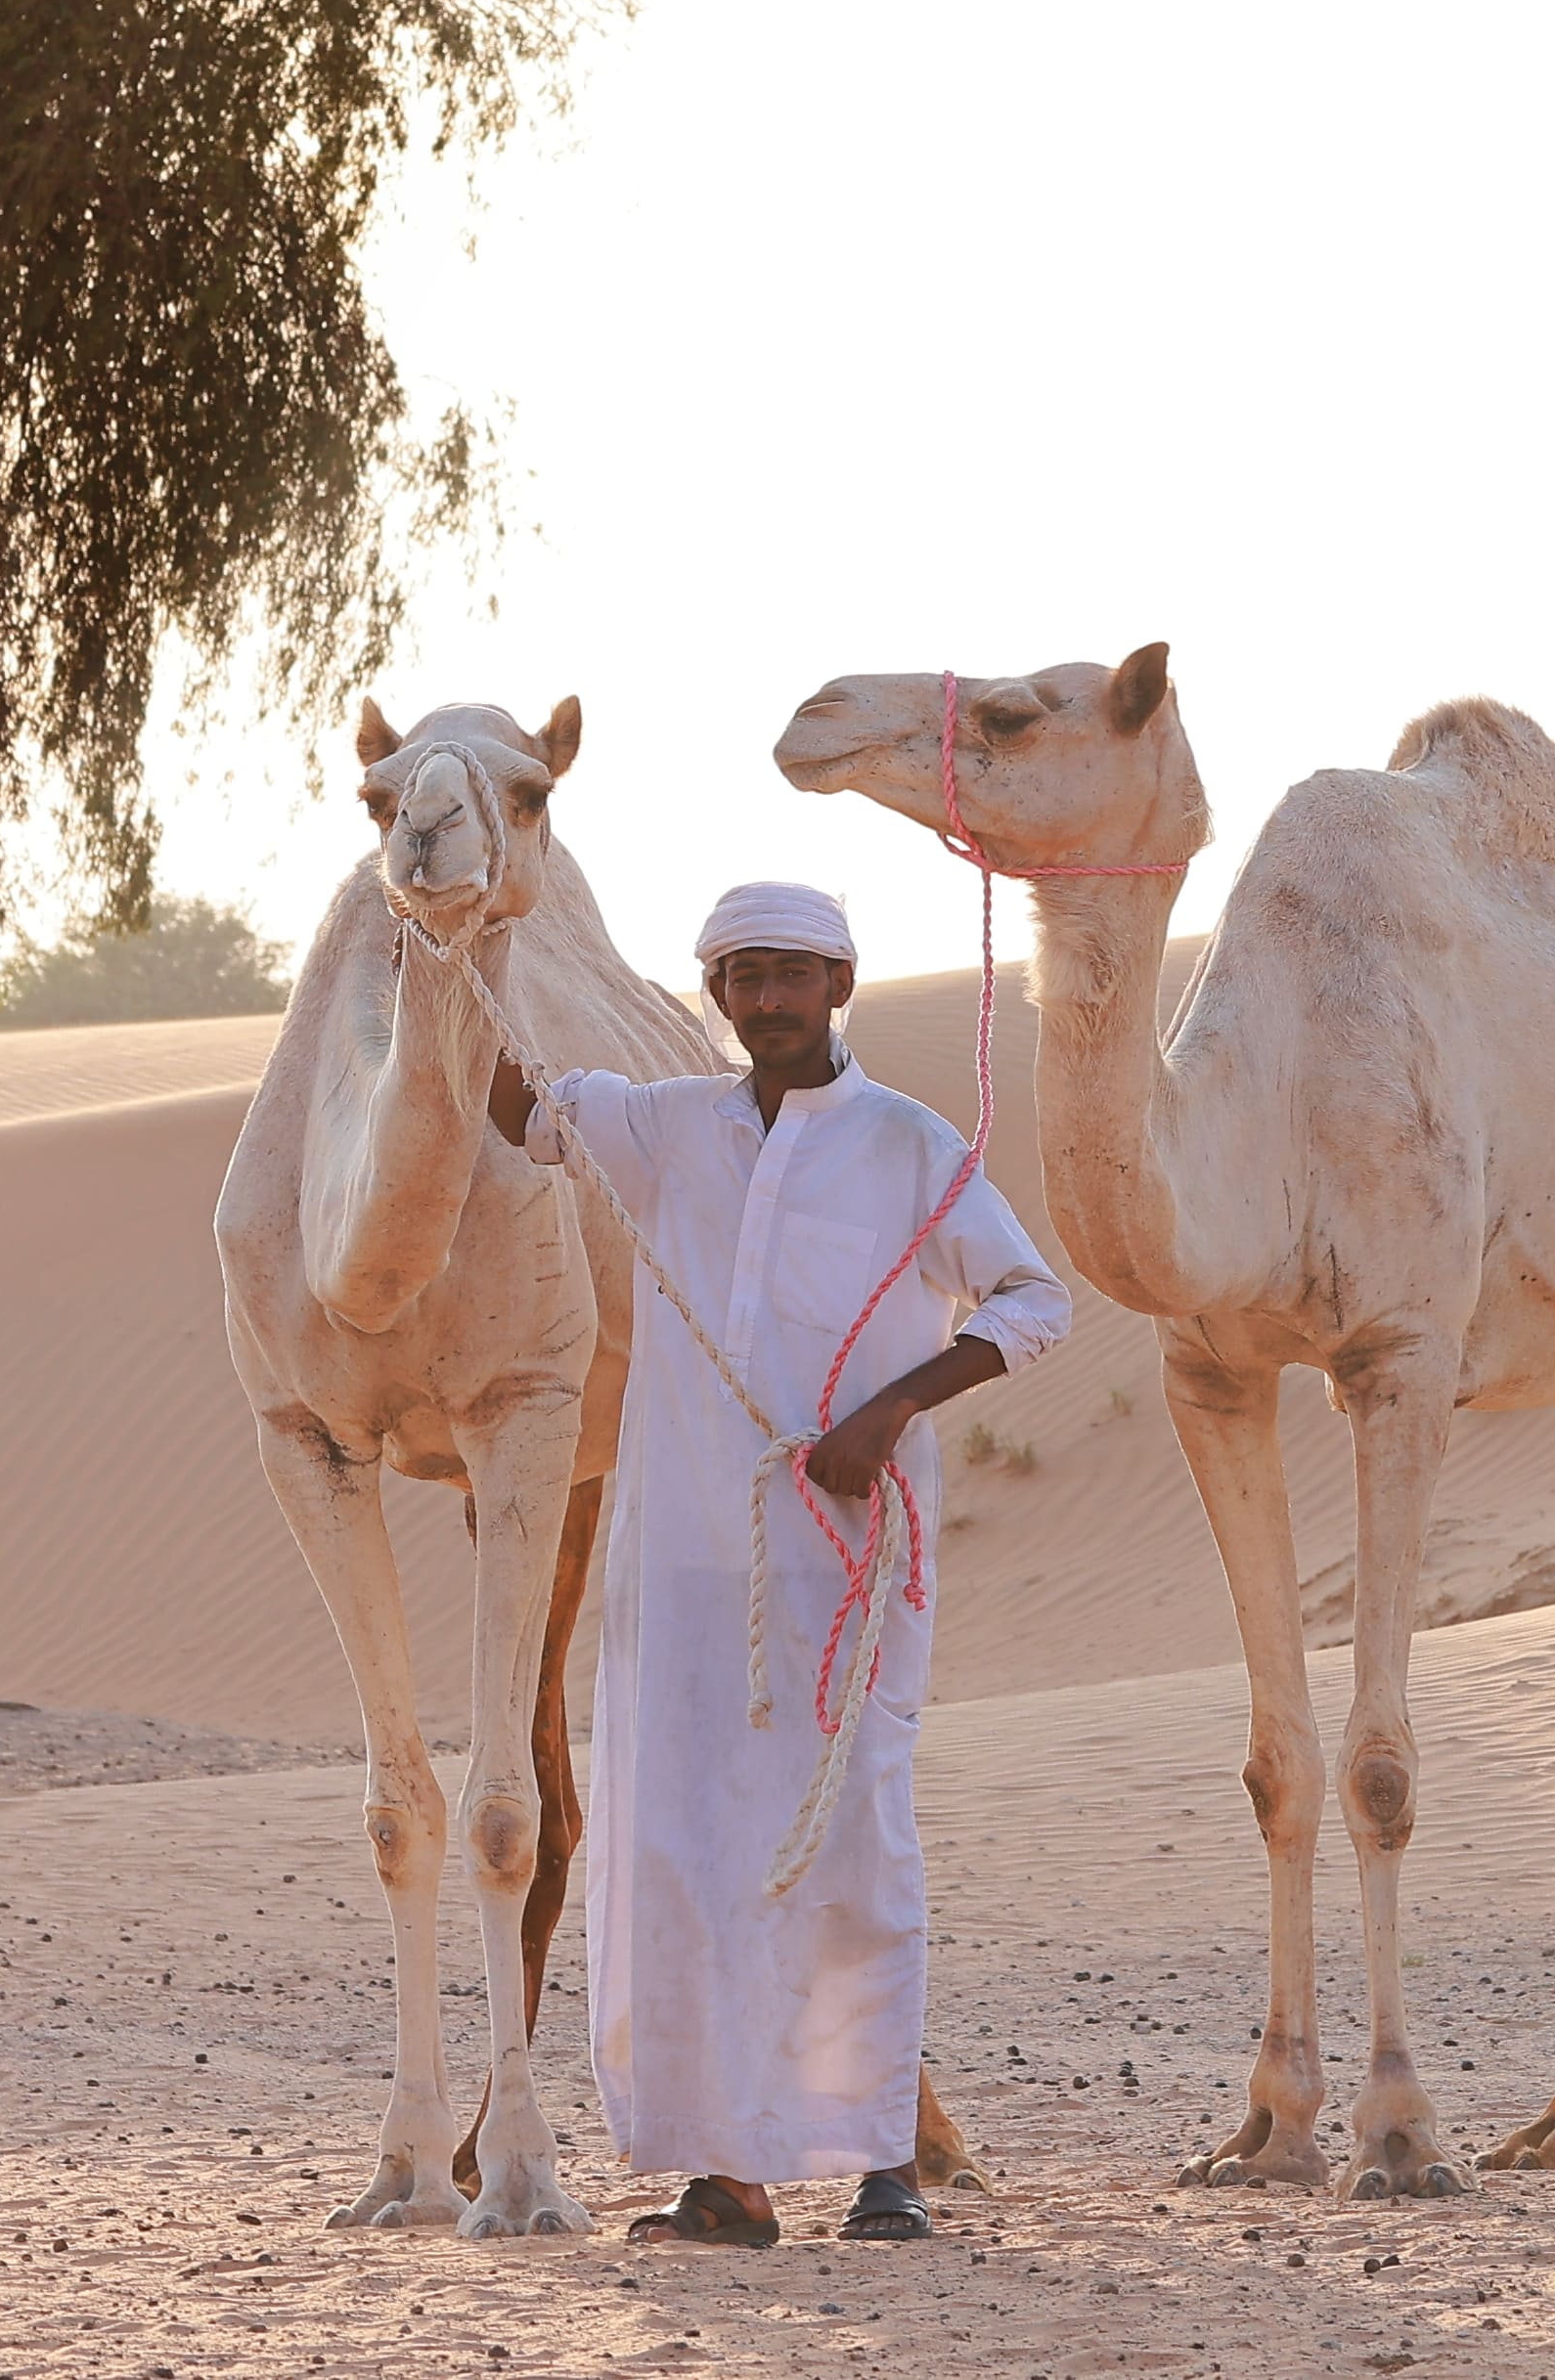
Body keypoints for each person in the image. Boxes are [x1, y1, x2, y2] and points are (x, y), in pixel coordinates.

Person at [481, 879, 1072, 2246]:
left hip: (848, 1561)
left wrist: (891, 1409)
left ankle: (884, 2161)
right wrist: (470, 927)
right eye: (741, 976)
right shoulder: (663, 1127)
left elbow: (1036, 1299)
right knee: (686, 1844)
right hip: (685, 1560)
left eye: (790, 973)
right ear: (718, 993)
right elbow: (519, 1109)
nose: (765, 1000)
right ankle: (725, 2172)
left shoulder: (909, 1143)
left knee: (854, 1842)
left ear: (840, 984)